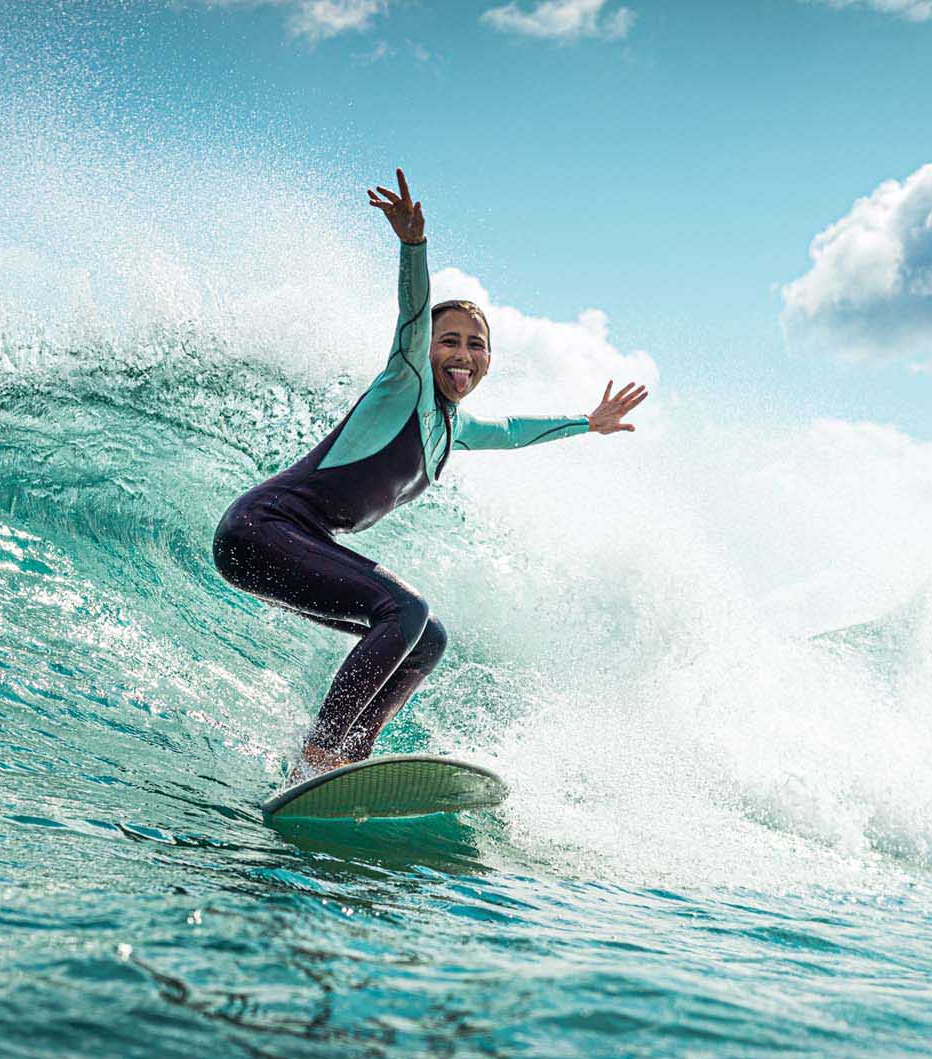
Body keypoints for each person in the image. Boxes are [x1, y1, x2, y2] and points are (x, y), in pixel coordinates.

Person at [213, 169, 648, 781]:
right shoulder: (405, 384)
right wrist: (413, 247)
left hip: (289, 545)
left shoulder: (454, 429)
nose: (463, 354)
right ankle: (321, 750)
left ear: (490, 358)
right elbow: (412, 313)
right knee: (406, 610)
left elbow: (518, 431)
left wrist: (588, 421)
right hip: (260, 531)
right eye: (449, 341)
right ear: (427, 349)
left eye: (477, 344)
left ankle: (348, 758)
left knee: (429, 636)